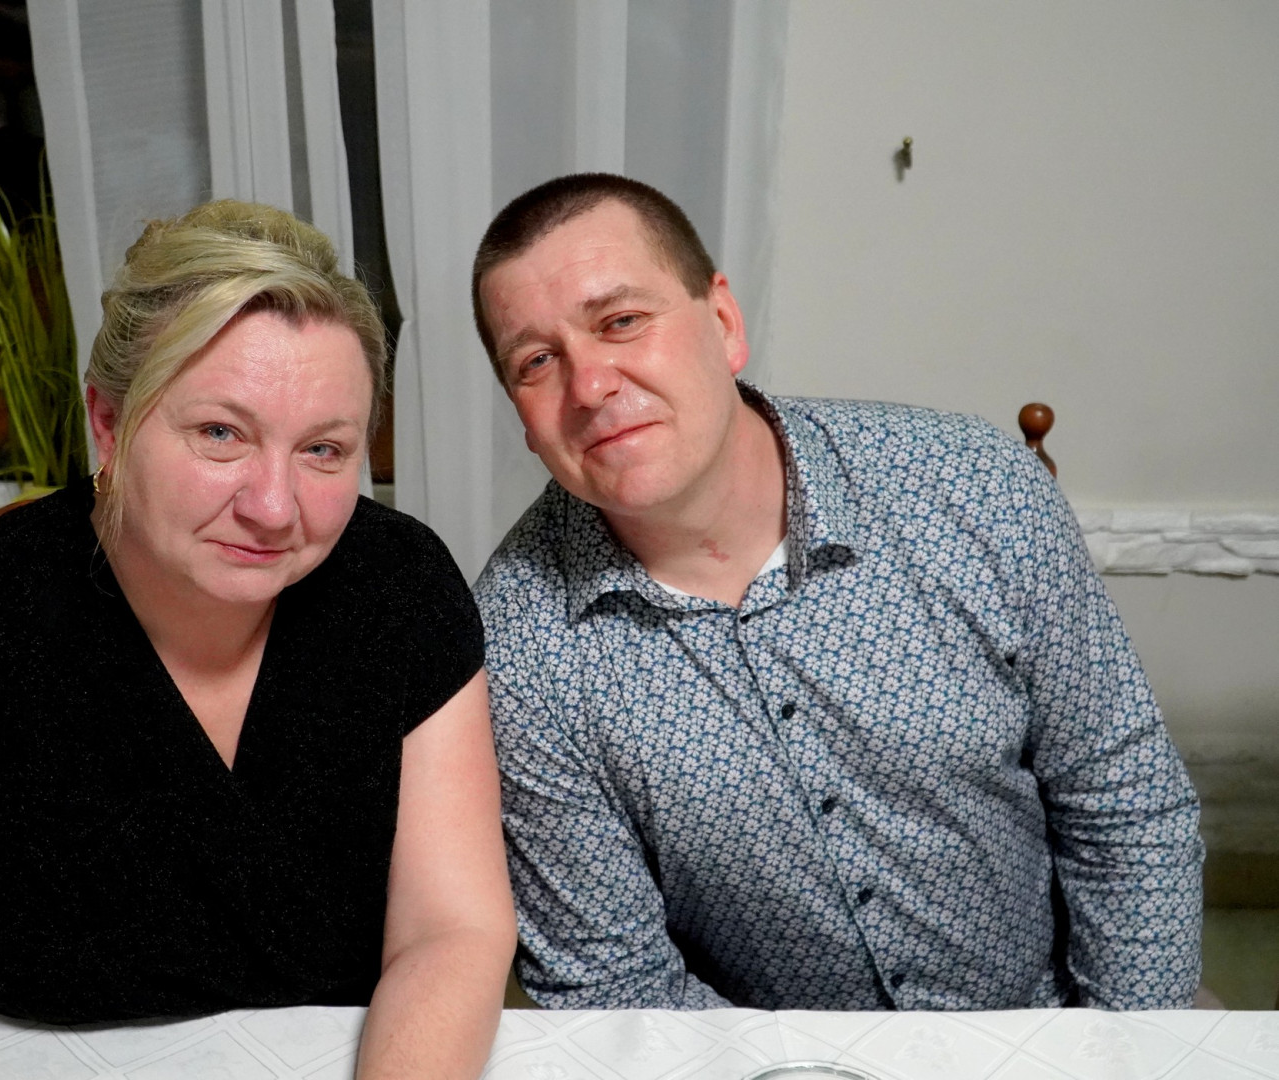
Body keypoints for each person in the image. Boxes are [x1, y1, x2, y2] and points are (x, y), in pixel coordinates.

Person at [0, 201, 515, 1078]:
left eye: (324, 451)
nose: (274, 507)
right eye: (220, 434)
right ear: (108, 425)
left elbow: (452, 931)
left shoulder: (400, 590)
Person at [470, 173, 1203, 1012]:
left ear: (724, 322)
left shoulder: (972, 486)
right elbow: (615, 984)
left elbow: (1124, 806)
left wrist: (1116, 1054)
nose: (590, 386)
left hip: (1056, 1030)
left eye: (621, 321)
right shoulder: (516, 645)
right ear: (521, 416)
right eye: (537, 361)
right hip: (758, 1061)